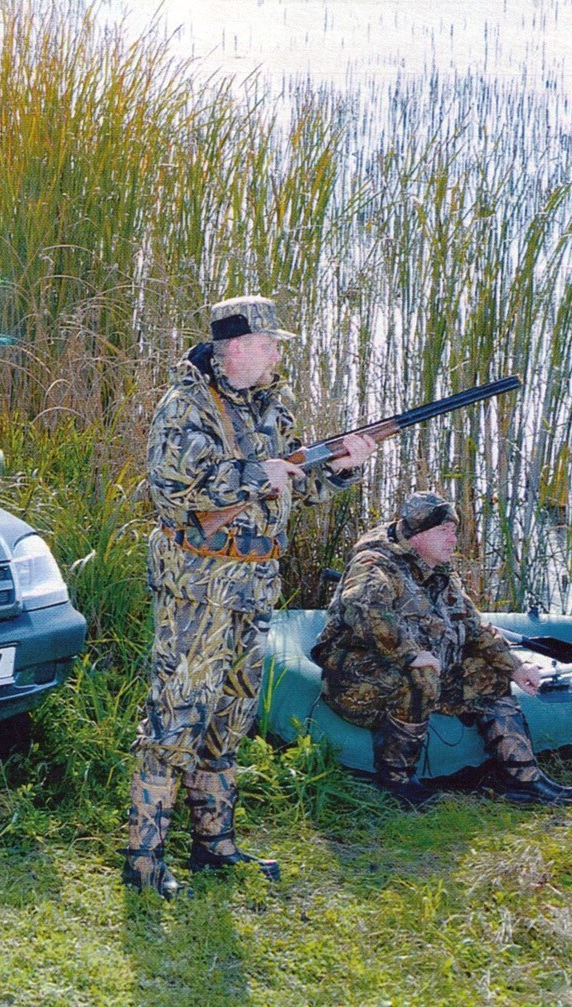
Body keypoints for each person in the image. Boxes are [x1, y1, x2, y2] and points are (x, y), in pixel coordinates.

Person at [126, 294, 378, 898]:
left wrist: (341, 467)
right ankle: (143, 862)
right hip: (198, 590)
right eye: (268, 345)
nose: (276, 355)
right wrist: (250, 475)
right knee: (175, 715)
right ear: (235, 348)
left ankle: (215, 847)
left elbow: (298, 488)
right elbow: (172, 489)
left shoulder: (273, 404)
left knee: (231, 714)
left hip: (255, 588)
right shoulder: (185, 405)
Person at [312, 491, 572, 807]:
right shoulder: (374, 563)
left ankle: (523, 780)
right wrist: (409, 655)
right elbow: (364, 609)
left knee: (489, 673)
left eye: (453, 531)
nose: (453, 539)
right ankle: (397, 781)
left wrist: (515, 666)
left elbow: (474, 625)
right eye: (444, 531)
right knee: (420, 674)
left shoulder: (438, 570)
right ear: (418, 535)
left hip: (419, 674)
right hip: (356, 680)